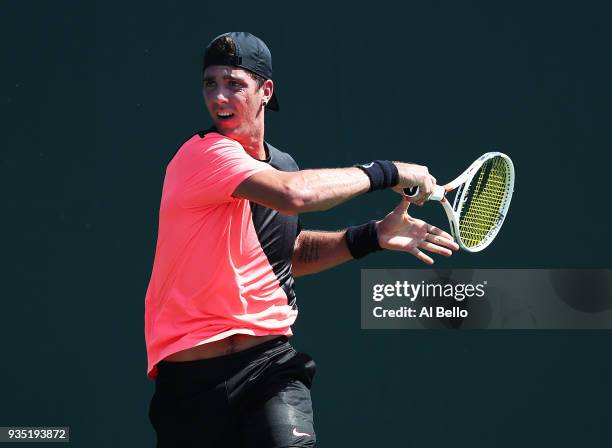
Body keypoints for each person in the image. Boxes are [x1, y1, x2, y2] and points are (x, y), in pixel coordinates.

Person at [144, 31, 459, 448]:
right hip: (190, 386)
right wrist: (388, 172)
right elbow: (296, 194)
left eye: (234, 84)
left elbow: (286, 255)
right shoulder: (203, 154)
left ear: (264, 90)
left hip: (268, 369)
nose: (219, 97)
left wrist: (373, 236)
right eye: (210, 83)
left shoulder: (281, 165)